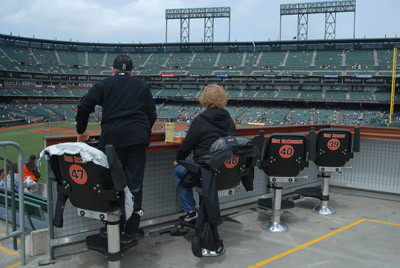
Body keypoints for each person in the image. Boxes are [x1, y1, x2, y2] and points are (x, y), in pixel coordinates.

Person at [75, 54, 157, 243]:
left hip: (112, 140)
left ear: (112, 70)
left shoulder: (105, 84)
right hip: (137, 139)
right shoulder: (142, 85)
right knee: (135, 185)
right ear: (131, 70)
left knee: (113, 184)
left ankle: (114, 228)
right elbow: (151, 114)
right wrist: (143, 131)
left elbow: (84, 105)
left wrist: (81, 131)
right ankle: (132, 230)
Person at [173, 84, 236, 222]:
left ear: (204, 99)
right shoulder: (228, 119)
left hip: (204, 166)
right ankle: (205, 212)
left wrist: (179, 159)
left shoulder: (200, 120)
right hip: (224, 167)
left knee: (178, 171)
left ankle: (191, 210)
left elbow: (187, 145)